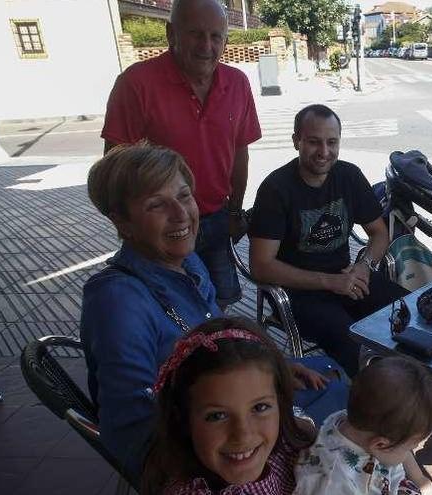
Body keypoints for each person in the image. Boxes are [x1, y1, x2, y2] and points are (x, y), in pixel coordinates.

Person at [81, 143, 347, 483]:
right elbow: (132, 430)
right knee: (348, 422)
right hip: (211, 449)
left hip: (236, 400)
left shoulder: (187, 263)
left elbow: (219, 341)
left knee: (333, 375)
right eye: (156, 204)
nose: (181, 215)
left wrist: (272, 368)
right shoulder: (118, 300)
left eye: (184, 196)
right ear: (123, 221)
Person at [101, 0, 261, 309]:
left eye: (216, 36)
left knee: (217, 305)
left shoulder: (237, 83)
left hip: (215, 220)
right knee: (167, 310)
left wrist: (234, 211)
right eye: (195, 34)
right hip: (160, 225)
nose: (207, 46)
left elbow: (239, 154)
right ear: (170, 34)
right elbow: (114, 170)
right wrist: (131, 228)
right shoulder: (136, 84)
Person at [248, 104, 408, 376]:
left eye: (331, 142)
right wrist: (329, 281)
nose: (324, 152)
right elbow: (261, 266)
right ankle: (379, 403)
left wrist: (364, 266)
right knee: (355, 346)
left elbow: (379, 233)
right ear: (296, 141)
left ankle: (426, 386)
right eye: (313, 142)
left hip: (347, 280)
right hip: (297, 293)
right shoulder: (276, 189)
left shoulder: (348, 176)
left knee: (411, 313)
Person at [142, 317, 316, 495]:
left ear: (280, 402)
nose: (243, 435)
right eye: (217, 416)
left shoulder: (286, 442)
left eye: (260, 407)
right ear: (183, 419)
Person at [294, 357, 432, 495]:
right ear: (380, 444)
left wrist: (420, 479)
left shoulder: (353, 421)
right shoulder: (334, 484)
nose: (409, 452)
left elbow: (397, 452)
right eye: (409, 448)